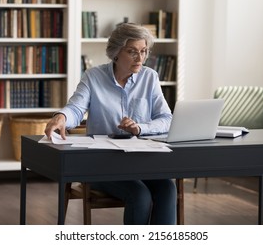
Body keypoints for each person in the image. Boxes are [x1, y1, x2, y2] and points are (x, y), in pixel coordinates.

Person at [44, 23, 176, 225]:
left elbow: (167, 118)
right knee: (140, 195)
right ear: (116, 52)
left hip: (141, 162)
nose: (140, 58)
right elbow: (76, 109)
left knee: (167, 188)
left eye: (143, 51)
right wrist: (61, 117)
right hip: (100, 165)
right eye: (132, 52)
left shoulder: (150, 77)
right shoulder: (93, 77)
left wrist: (141, 128)